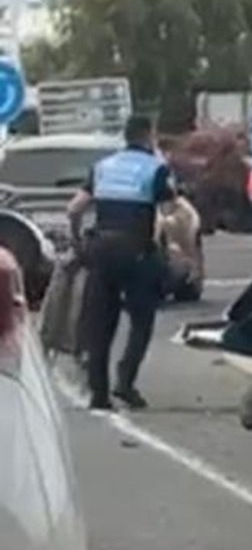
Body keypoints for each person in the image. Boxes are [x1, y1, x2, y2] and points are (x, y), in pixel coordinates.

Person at [67, 115, 177, 410]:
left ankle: (98, 394)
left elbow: (74, 208)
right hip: (136, 249)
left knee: (100, 323)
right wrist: (172, 250)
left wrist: (78, 240)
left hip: (102, 247)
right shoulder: (156, 168)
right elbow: (168, 212)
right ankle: (125, 382)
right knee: (142, 319)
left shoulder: (103, 167)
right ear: (147, 136)